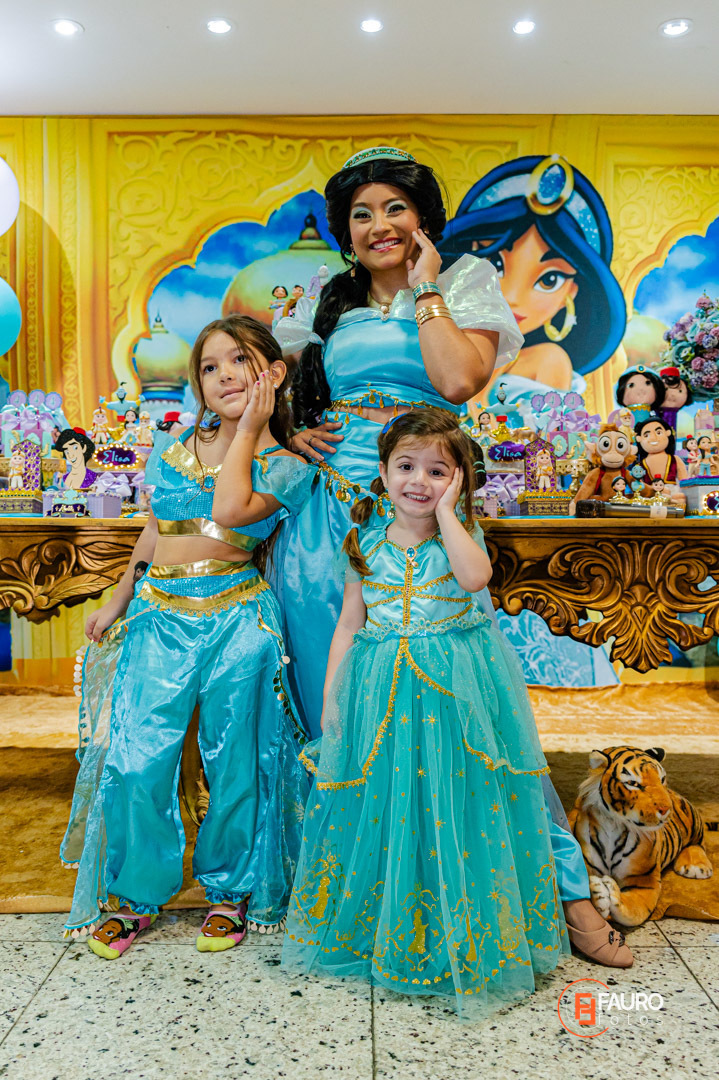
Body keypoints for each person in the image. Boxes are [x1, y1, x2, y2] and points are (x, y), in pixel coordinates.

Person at [282, 411, 632, 1018]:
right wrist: (333, 698)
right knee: (394, 807)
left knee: (459, 804)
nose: (419, 481)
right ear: (383, 471)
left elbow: (476, 577)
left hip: (454, 695)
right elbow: (348, 624)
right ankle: (400, 927)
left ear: (459, 479)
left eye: (437, 471)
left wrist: (449, 511)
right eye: (406, 467)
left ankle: (476, 926)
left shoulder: (460, 535)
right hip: (383, 694)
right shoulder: (363, 541)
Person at [61, 315, 313, 956]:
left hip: (238, 620)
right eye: (209, 366)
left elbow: (232, 512)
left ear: (274, 373)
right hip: (158, 617)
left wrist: (249, 431)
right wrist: (118, 599)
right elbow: (157, 531)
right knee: (136, 758)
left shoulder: (287, 466)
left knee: (234, 761)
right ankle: (135, 894)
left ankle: (230, 891)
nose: (223, 375)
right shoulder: (174, 447)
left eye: (240, 361)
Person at [273, 145, 521, 733]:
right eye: (361, 214)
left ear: (423, 219)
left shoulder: (464, 282)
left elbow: (457, 382)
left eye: (395, 208)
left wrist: (426, 287)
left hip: (422, 499)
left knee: (430, 653)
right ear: (346, 230)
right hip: (331, 504)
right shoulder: (326, 300)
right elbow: (268, 386)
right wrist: (291, 436)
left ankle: (421, 788)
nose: (378, 226)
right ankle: (331, 782)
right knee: (322, 642)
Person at [438, 154, 626, 420]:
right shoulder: (435, 342)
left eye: (549, 280)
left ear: (570, 294)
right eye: (496, 265)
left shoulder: (547, 360)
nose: (512, 297)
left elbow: (549, 442)